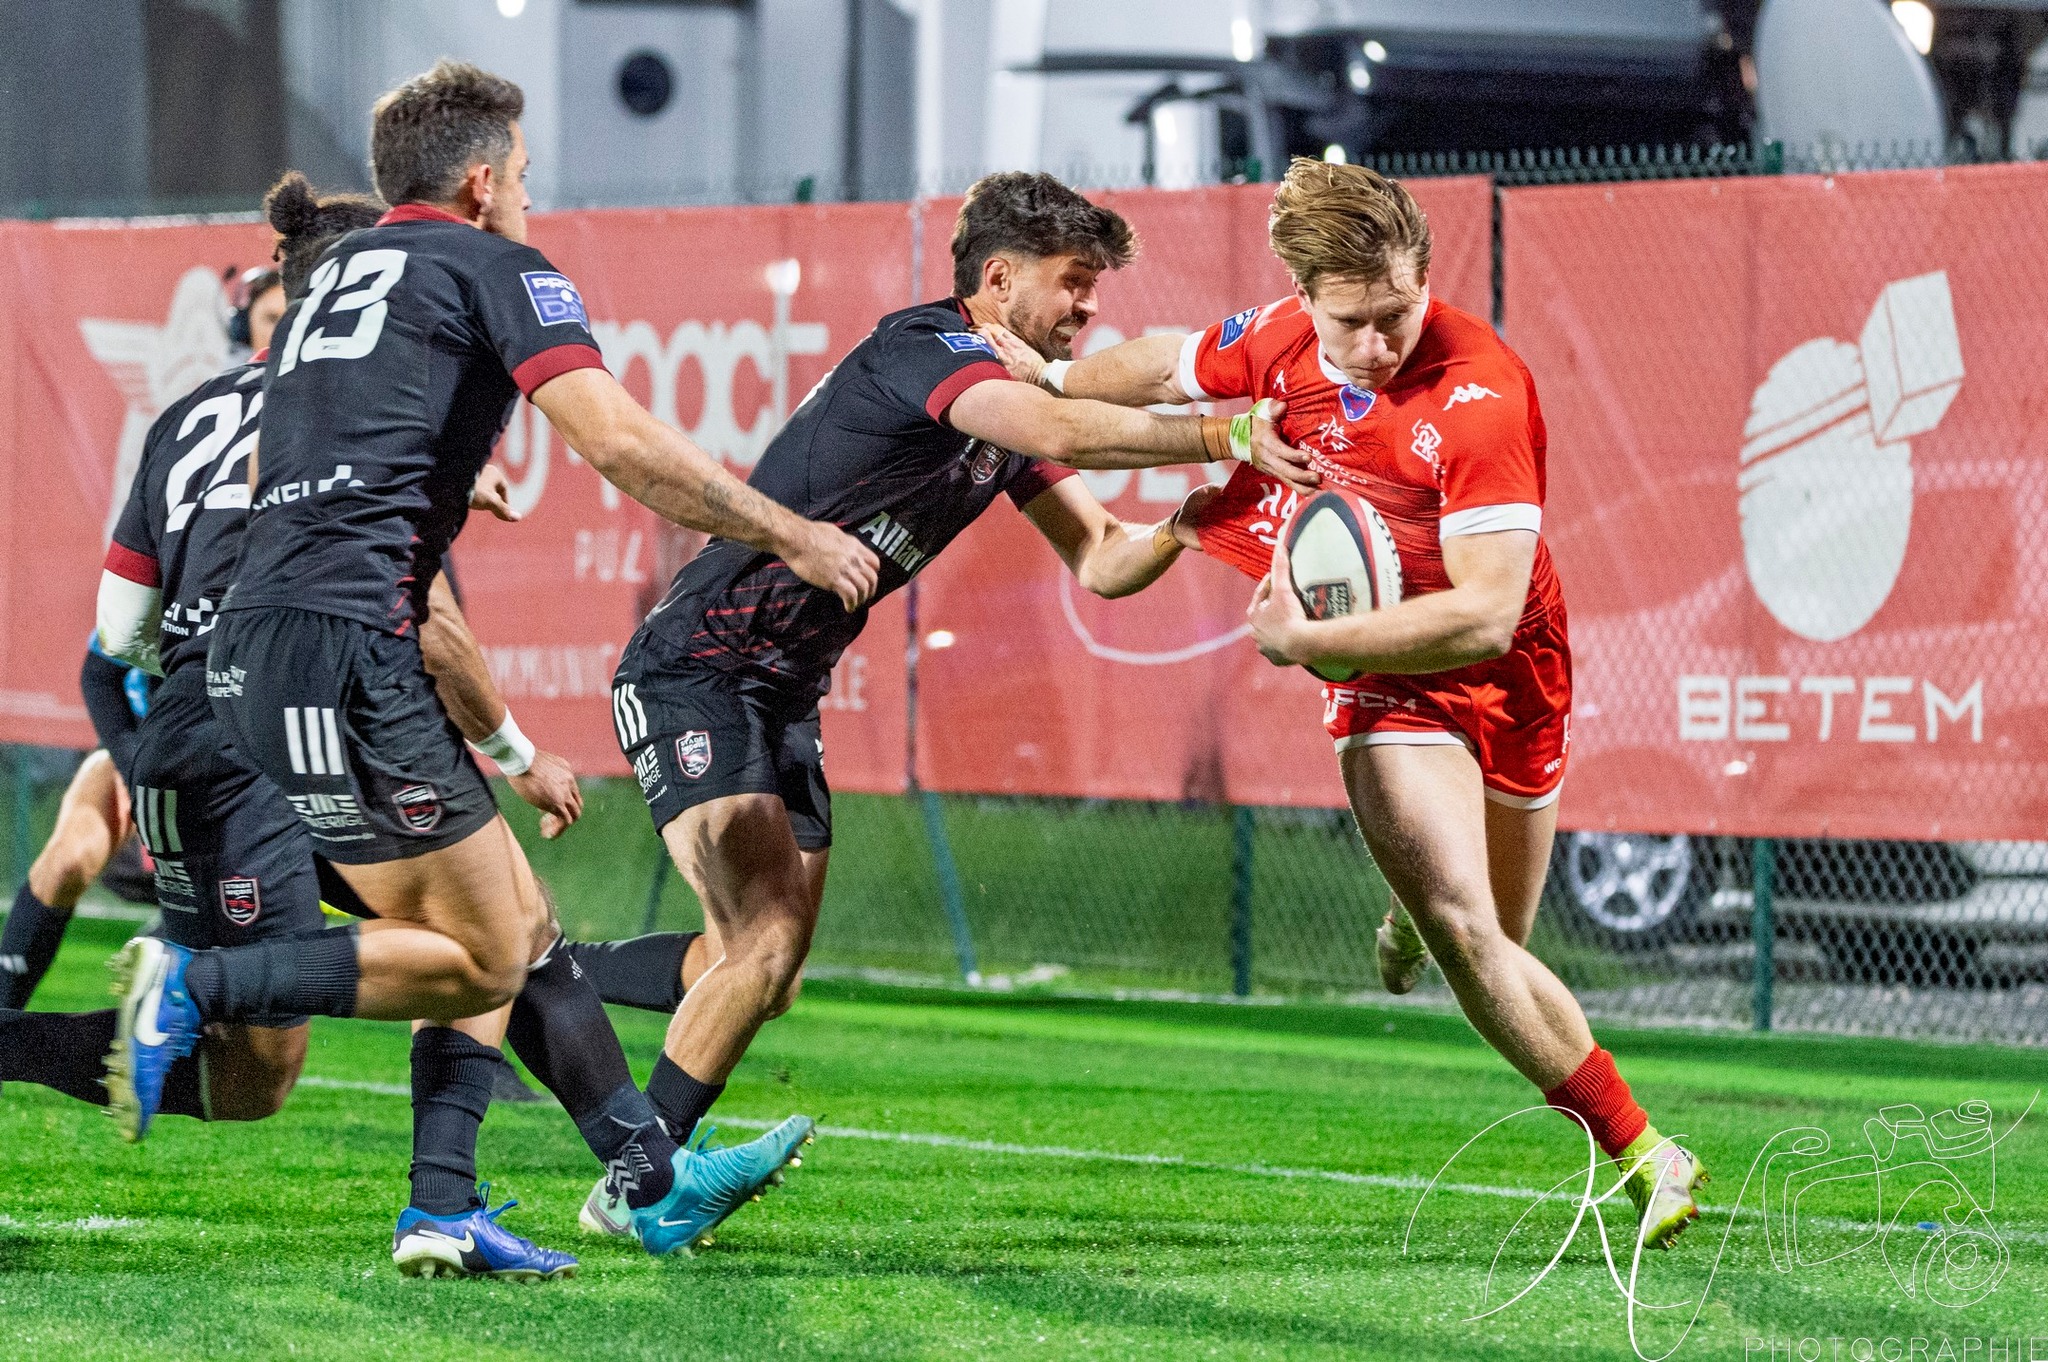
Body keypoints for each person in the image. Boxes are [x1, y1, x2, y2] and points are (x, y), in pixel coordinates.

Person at [103, 61, 877, 1276]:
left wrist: (439, 484)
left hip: (255, 650)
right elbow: (618, 442)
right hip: (353, 650)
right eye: (520, 171)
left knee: (517, 923)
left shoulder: (326, 285)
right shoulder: (495, 266)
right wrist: (788, 531)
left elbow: (281, 474)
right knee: (482, 954)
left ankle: (575, 1187)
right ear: (479, 181)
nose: (527, 190)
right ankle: (195, 986)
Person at [978, 158, 1708, 1253]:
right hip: (1380, 676)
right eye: (1350, 322)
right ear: (1304, 297)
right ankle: (1648, 1153)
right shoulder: (1278, 340)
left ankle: (1413, 911)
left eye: (1396, 314)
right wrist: (1053, 376)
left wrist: (1304, 641)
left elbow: (1482, 617)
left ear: (1425, 279)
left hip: (1509, 669)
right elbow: (1164, 363)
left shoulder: (1482, 394)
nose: (1376, 344)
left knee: (1499, 942)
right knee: (1469, 932)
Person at [579, 169, 1316, 1251]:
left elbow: (1102, 559)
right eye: (1073, 281)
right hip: (697, 667)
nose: (1088, 307)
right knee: (762, 943)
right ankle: (637, 1189)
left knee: (762, 973)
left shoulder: (1010, 414)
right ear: (999, 279)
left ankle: (536, 980)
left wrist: (1184, 527)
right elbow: (1063, 419)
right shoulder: (925, 349)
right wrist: (1227, 432)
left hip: (784, 691)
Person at [0, 639, 156, 1008]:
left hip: (231, 755)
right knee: (67, 861)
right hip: (137, 739)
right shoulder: (151, 598)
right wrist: (132, 765)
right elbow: (100, 672)